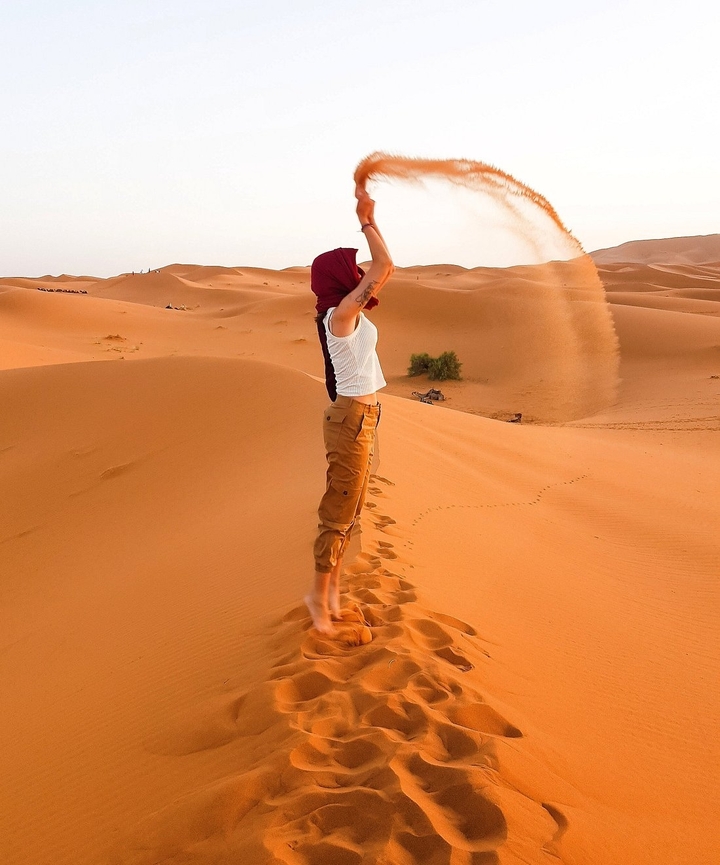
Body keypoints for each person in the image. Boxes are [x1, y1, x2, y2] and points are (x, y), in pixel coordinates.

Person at [305, 185, 394, 633]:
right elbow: (384, 267)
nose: (361, 272)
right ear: (339, 279)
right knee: (337, 513)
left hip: (363, 419)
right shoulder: (340, 317)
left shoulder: (348, 315)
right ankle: (318, 599)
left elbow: (381, 271)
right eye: (351, 269)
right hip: (350, 421)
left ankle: (334, 595)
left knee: (352, 511)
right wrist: (366, 218)